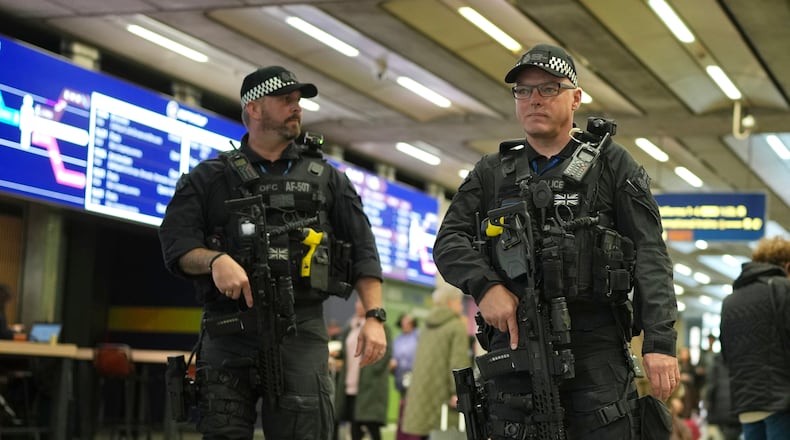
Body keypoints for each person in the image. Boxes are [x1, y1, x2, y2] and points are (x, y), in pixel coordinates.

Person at [433, 43, 679, 439]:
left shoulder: (612, 164)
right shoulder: (492, 172)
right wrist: (487, 286)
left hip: (595, 350)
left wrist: (660, 341)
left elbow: (651, 253)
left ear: (576, 98)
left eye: (549, 89)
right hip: (515, 346)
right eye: (524, 91)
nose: (534, 100)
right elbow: (448, 242)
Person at [159, 65, 387, 439]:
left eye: (298, 101)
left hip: (301, 328)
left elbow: (364, 249)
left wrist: (375, 316)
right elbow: (176, 244)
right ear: (253, 108)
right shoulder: (209, 178)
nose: (296, 107)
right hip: (228, 329)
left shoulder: (328, 179)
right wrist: (215, 260)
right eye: (285, 99)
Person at [720, 236, 790, 440]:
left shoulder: (730, 300)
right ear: (787, 266)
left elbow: (726, 354)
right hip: (782, 401)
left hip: (746, 402)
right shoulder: (783, 289)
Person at [401, 285, 471, 439]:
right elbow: (458, 362)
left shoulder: (426, 326)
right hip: (443, 397)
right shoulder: (456, 326)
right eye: (459, 302)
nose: (461, 307)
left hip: (422, 395)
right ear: (451, 302)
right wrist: (459, 391)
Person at [333, 297, 392, 440]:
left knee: (372, 427)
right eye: (358, 302)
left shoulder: (382, 328)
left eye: (363, 303)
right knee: (354, 427)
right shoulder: (350, 327)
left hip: (369, 387)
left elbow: (383, 356)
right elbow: (348, 352)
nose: (359, 305)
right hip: (349, 385)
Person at [390, 312, 420, 440]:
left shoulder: (418, 336)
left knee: (413, 409)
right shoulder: (398, 339)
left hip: (416, 378)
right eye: (403, 322)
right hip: (401, 377)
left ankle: (413, 436)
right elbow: (394, 356)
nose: (405, 325)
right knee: (403, 408)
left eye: (408, 322)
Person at [704, 353, 741, 440]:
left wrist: (708, 407)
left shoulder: (716, 363)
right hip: (737, 408)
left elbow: (711, 388)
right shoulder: (740, 361)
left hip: (720, 409)